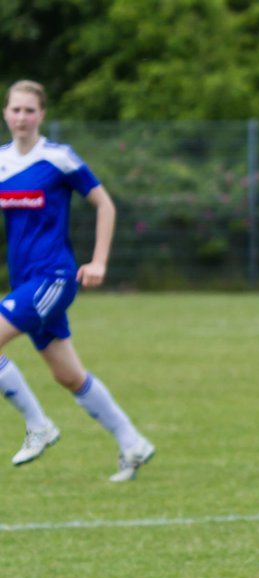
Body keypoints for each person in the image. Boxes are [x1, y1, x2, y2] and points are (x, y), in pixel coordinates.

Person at [0, 80, 155, 481]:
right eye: (15, 110)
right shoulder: (1, 162)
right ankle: (132, 442)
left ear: (42, 115)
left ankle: (39, 426)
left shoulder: (58, 158)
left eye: (29, 110)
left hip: (53, 276)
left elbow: (104, 204)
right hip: (25, 282)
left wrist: (99, 260)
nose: (21, 118)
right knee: (68, 376)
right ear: (5, 113)